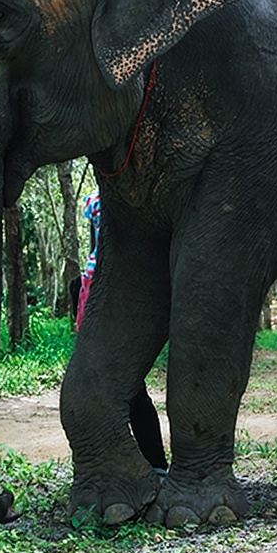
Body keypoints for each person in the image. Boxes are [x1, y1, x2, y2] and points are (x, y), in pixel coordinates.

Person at [74, 191, 167, 472]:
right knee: (129, 393)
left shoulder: (103, 203)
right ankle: (147, 463)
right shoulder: (109, 203)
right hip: (109, 299)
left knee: (129, 394)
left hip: (113, 302)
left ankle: (153, 463)